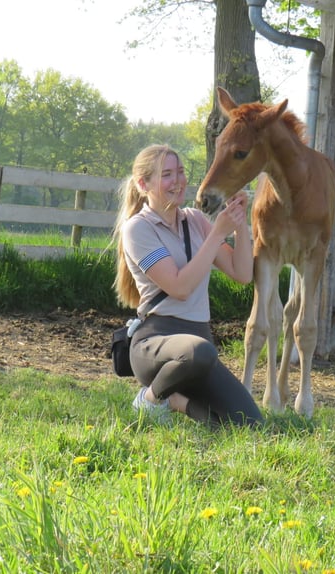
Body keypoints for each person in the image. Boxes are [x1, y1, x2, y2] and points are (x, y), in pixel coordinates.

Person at [112, 144, 263, 427]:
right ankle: (150, 399)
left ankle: (175, 401)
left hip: (197, 345)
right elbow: (179, 287)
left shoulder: (194, 220)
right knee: (200, 351)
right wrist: (217, 232)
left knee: (249, 423)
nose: (178, 181)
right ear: (144, 184)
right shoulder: (138, 228)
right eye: (167, 174)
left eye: (180, 172)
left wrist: (239, 224)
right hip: (157, 344)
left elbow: (242, 273)